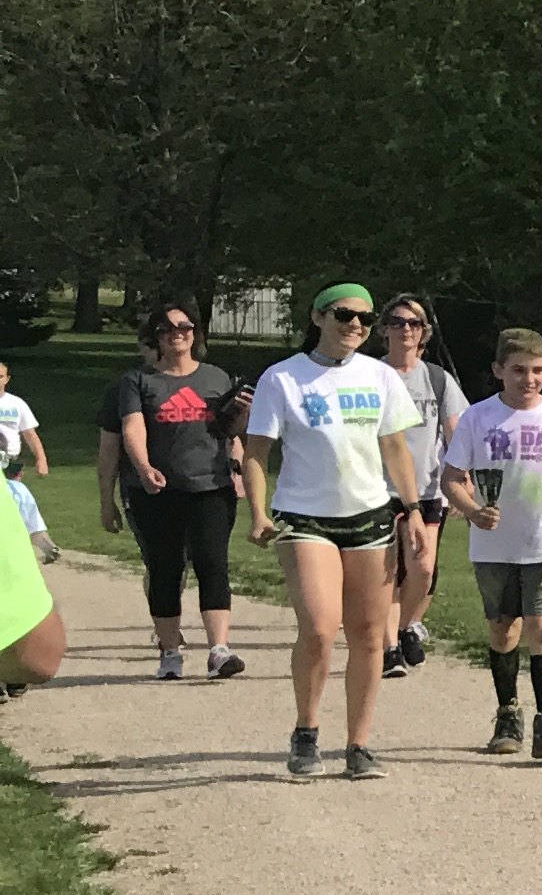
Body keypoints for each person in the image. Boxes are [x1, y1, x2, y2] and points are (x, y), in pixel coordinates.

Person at [242, 284, 421, 782]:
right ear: (318, 317)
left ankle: (358, 745)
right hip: (304, 518)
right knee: (320, 629)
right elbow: (256, 454)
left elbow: (396, 451)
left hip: (368, 517)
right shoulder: (283, 378)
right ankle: (306, 729)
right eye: (345, 314)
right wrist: (257, 513)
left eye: (366, 318)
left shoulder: (381, 377)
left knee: (368, 635)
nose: (356, 325)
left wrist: (413, 512)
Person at [444, 326, 542, 762]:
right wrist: (472, 511)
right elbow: (451, 479)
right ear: (498, 371)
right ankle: (508, 713)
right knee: (503, 628)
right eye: (519, 370)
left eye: (538, 370)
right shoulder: (477, 419)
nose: (529, 379)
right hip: (494, 546)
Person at [94, 302, 247, 680]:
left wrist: (238, 468)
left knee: (213, 564)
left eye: (185, 326)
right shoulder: (138, 381)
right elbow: (132, 429)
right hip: (156, 491)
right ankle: (170, 651)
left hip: (210, 486)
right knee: (165, 569)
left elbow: (231, 432)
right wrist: (144, 468)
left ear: (195, 333)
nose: (178, 333)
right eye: (168, 329)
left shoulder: (215, 377)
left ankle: (218, 651)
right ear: (157, 338)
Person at [372, 295, 464, 684]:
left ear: (423, 332)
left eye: (413, 323)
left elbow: (456, 434)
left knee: (423, 568)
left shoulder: (438, 379)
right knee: (387, 572)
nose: (405, 329)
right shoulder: (369, 375)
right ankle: (390, 646)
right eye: (396, 322)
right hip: (377, 489)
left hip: (427, 489)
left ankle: (409, 625)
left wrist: (461, 480)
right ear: (384, 330)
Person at [0, 458, 64, 699]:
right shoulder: (17, 491)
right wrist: (49, 548)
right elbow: (36, 530)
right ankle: (14, 679)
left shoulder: (15, 490)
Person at [0, 358, 45, 484]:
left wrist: (41, 460)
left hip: (10, 462)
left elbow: (30, 434)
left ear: (7, 379)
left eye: (0, 376)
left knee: (12, 500)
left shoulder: (17, 403)